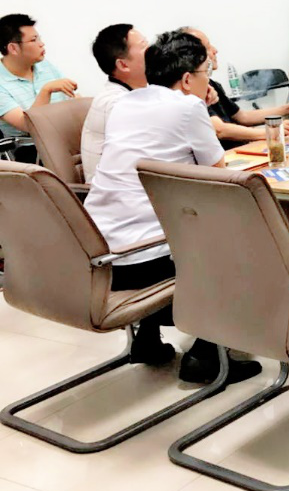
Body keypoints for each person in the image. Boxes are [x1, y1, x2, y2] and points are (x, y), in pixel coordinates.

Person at [84, 30, 261, 384]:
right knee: (241, 238)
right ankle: (205, 356)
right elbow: (218, 179)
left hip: (97, 256)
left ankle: (147, 340)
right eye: (206, 71)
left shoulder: (124, 104)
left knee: (161, 218)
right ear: (187, 79)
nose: (209, 79)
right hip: (146, 263)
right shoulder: (188, 107)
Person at [183, 27, 289, 149]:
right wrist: (269, 132)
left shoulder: (213, 85)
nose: (215, 50)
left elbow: (242, 117)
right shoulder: (191, 91)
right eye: (208, 47)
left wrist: (287, 109)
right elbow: (219, 130)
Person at [0, 14, 78, 154]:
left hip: (65, 137)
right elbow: (28, 125)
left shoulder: (44, 65)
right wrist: (46, 90)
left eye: (39, 38)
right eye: (33, 40)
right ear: (13, 48)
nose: (41, 44)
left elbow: (71, 98)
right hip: (30, 149)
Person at [81, 24, 149, 182]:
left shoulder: (136, 93)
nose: (154, 51)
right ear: (123, 65)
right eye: (144, 46)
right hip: (115, 191)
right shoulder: (116, 103)